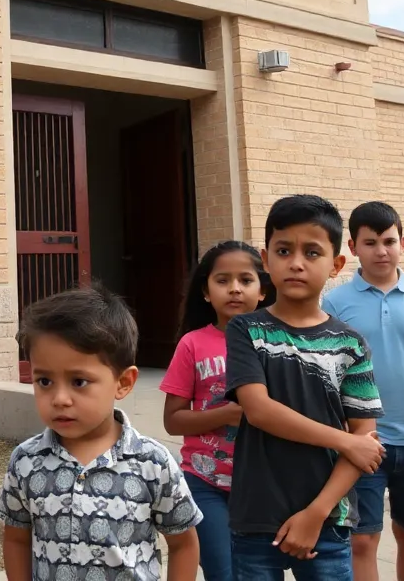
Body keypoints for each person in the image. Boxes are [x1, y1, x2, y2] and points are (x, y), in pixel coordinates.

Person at [226, 194, 385, 581]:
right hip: (256, 515)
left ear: (336, 265)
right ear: (266, 260)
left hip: (329, 519)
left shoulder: (351, 343)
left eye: (312, 252)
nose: (296, 263)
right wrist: (344, 441)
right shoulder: (247, 330)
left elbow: (365, 441)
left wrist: (316, 514)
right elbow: (259, 411)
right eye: (283, 250)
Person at [0, 284, 202, 581]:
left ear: (123, 382)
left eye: (79, 381)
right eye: (44, 381)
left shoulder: (153, 463)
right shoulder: (26, 461)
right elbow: (16, 539)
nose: (59, 398)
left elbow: (183, 544)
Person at [322, 202, 404, 581]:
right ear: (353, 247)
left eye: (389, 241)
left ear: (403, 243)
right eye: (371, 242)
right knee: (362, 541)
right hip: (362, 442)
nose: (381, 250)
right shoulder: (335, 303)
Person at [160, 240, 267, 581]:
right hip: (205, 482)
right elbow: (173, 420)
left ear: (263, 289)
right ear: (206, 292)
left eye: (246, 280)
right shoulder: (193, 344)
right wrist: (226, 414)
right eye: (222, 280)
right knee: (224, 573)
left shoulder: (276, 341)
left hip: (265, 482)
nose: (234, 288)